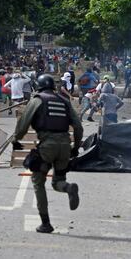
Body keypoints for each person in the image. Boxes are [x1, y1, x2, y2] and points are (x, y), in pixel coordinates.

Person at [12, 74, 83, 233]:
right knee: (58, 181)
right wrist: (75, 148)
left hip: (47, 145)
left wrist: (16, 139)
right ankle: (69, 187)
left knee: (38, 182)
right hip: (65, 145)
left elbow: (24, 123)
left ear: (39, 86)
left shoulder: (37, 100)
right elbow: (78, 127)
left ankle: (46, 223)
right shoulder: (65, 101)